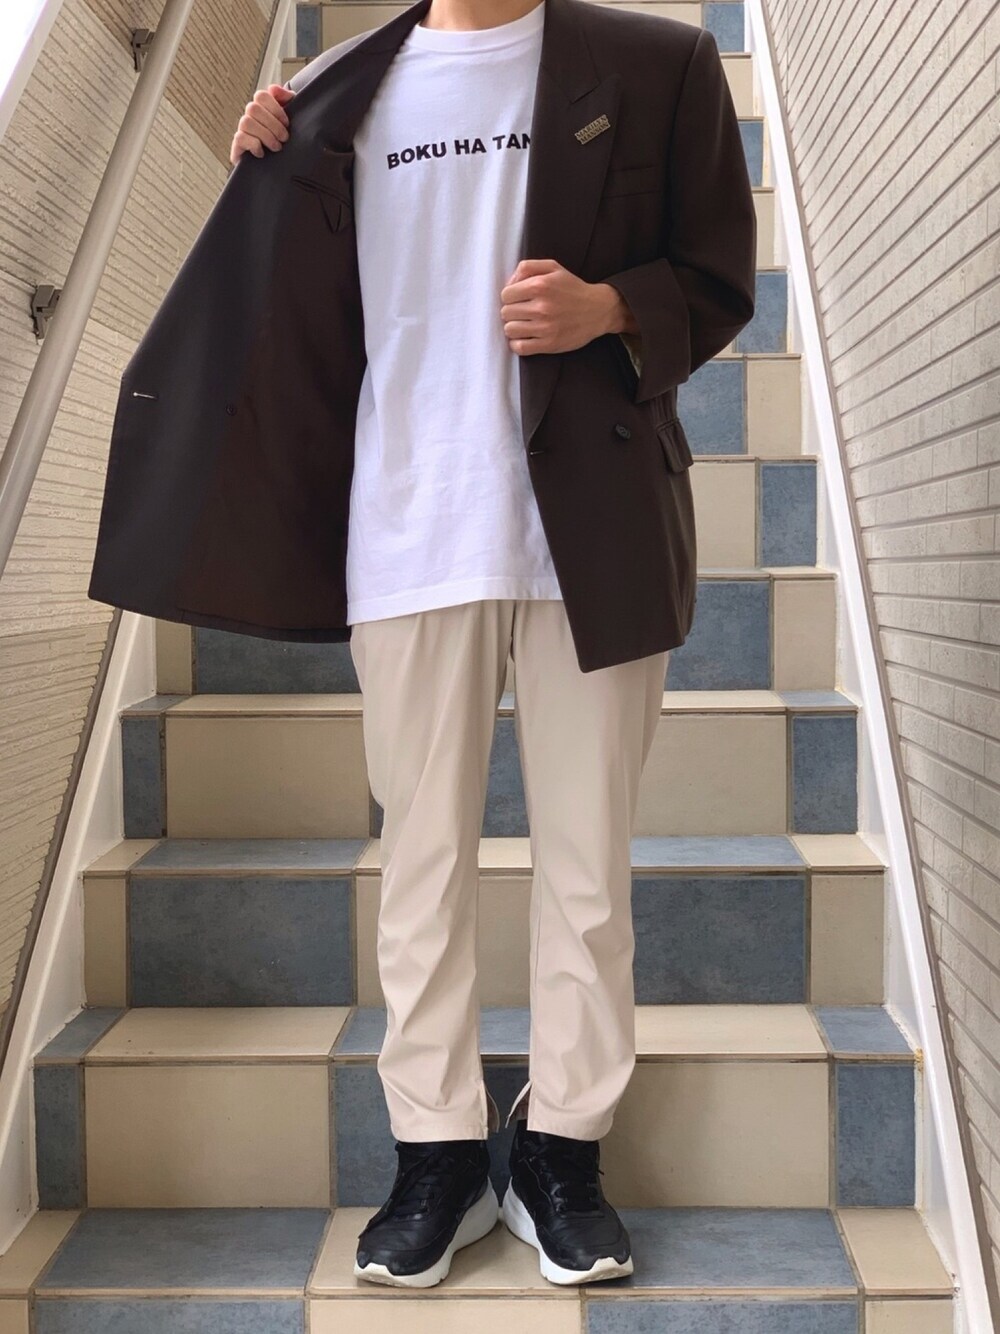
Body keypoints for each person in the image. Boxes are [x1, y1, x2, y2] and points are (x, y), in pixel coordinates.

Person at [229, 0, 753, 1292]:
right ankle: (439, 1153)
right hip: (408, 528)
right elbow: (287, 314)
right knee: (420, 868)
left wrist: (609, 307)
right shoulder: (337, 90)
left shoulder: (659, 63)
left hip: (593, 531)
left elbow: (718, 275)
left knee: (588, 870)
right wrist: (256, 177)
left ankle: (563, 1148)